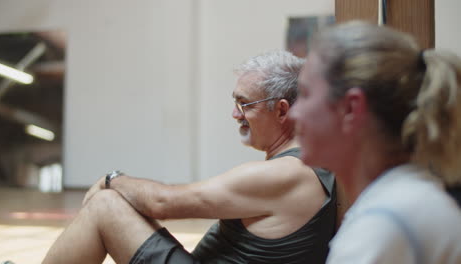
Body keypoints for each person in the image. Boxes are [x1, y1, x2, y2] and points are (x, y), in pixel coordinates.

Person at [43, 50, 336, 264]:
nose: (235, 114)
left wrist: (110, 181)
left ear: (282, 111)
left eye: (245, 104)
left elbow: (162, 202)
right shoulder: (307, 164)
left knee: (106, 206)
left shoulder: (286, 173)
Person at [290, 21, 461, 263]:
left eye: (305, 94)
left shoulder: (385, 223)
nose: (293, 113)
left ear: (350, 108)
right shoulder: (404, 202)